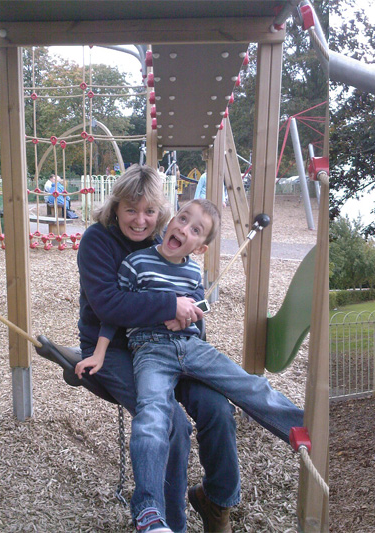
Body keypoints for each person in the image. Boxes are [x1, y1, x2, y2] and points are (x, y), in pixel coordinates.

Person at [75, 198, 304, 532]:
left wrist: (190, 316)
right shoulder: (133, 260)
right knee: (158, 418)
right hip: (149, 350)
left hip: (190, 347)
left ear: (200, 247)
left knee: (239, 390)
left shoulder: (192, 269)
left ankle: (296, 427)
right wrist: (99, 352)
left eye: (195, 229)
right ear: (172, 222)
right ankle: (151, 512)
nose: (183, 228)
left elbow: (200, 306)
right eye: (183, 219)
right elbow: (111, 313)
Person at [76, 165, 240, 533]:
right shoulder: (97, 241)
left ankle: (216, 500)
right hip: (113, 345)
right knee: (171, 423)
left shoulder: (163, 241)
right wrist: (171, 307)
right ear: (116, 207)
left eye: (150, 211)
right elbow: (108, 305)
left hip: (165, 345)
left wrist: (192, 327)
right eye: (131, 209)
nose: (140, 220)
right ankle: (167, 522)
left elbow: (189, 305)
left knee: (218, 409)